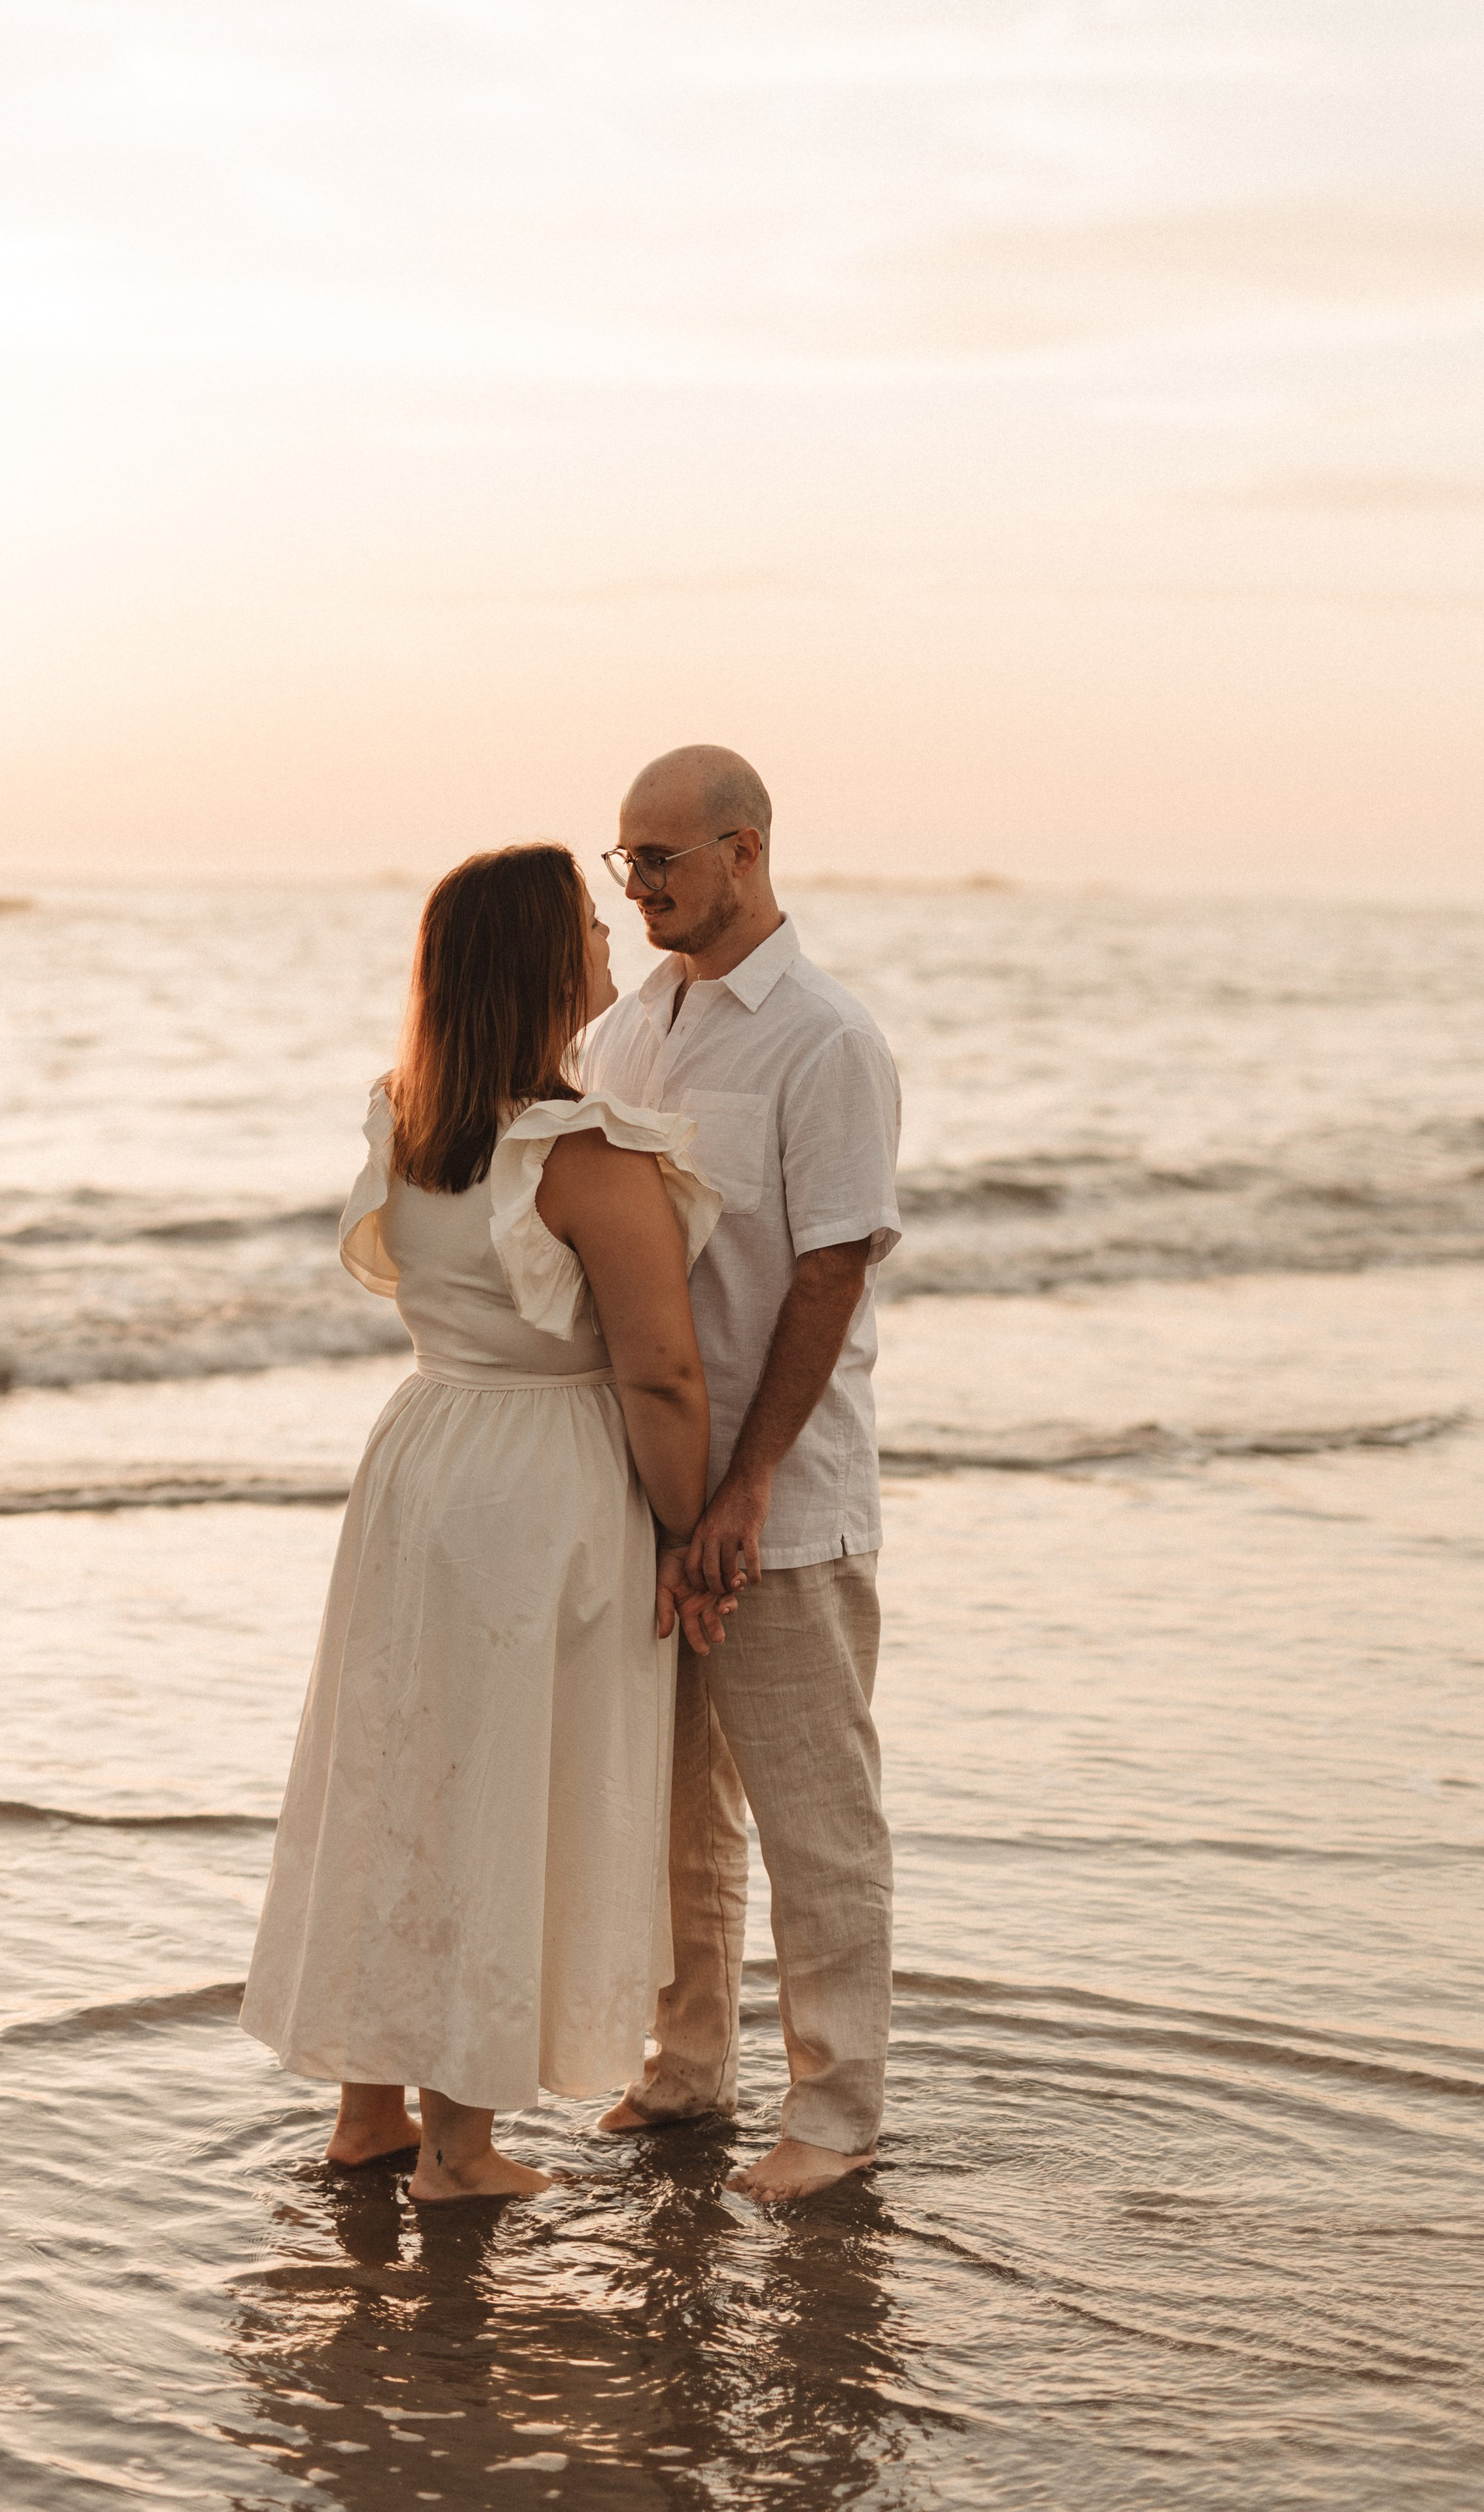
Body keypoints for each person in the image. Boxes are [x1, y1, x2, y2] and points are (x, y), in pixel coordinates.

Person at [240, 841, 729, 2203]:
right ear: (538, 962)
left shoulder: (409, 1118)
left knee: (402, 1775)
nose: (606, 934)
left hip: (422, 1455)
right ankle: (462, 2148)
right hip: (541, 1480)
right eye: (584, 919)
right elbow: (662, 1369)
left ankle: (368, 2112)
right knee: (500, 1793)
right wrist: (691, 1531)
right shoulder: (576, 1152)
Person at [584, 746, 902, 2204]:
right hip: (649, 1487)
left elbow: (830, 1271)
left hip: (780, 1501)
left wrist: (747, 1486)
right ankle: (689, 2068)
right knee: (672, 1813)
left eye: (661, 861)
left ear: (745, 851)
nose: (639, 886)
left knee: (812, 1817)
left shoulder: (827, 1040)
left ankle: (833, 2116)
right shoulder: (633, 1023)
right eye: (625, 863)